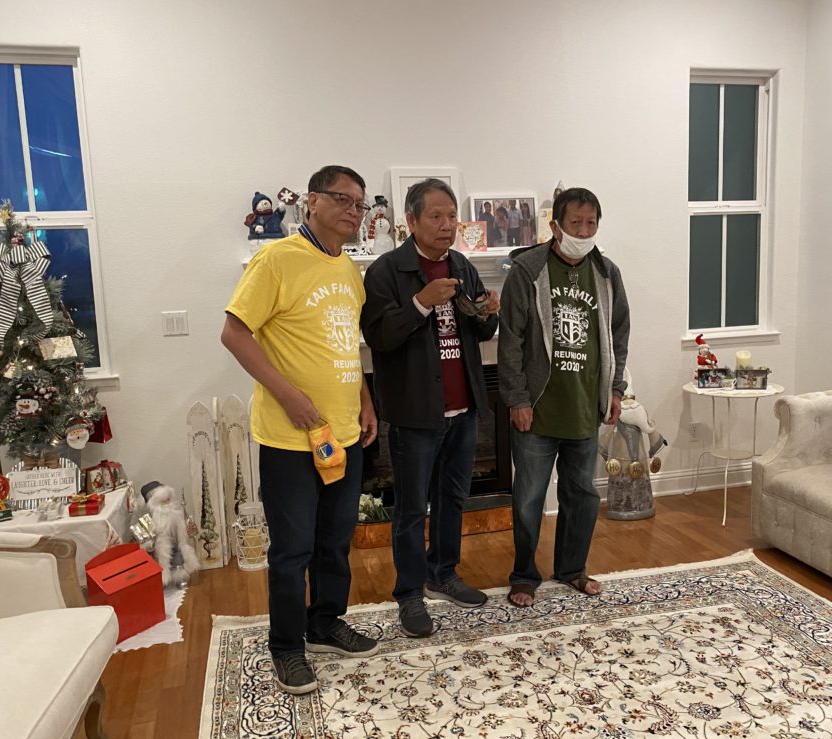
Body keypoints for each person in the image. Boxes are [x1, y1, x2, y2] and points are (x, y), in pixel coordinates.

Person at [221, 165, 379, 695]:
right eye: (341, 198)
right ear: (312, 201)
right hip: (289, 438)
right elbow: (234, 333)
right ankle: (286, 646)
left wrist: (364, 400)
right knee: (292, 550)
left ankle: (324, 621)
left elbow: (347, 345)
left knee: (335, 539)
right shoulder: (276, 259)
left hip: (344, 431)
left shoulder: (350, 271)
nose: (352, 210)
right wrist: (287, 394)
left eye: (359, 203)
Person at [361, 178, 500, 637]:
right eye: (436, 217)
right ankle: (409, 593)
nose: (446, 225)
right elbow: (378, 337)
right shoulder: (385, 271)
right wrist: (421, 303)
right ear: (411, 221)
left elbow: (480, 335)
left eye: (451, 216)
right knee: (409, 509)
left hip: (465, 408)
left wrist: (488, 312)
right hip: (414, 413)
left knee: (452, 498)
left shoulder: (461, 264)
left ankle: (445, 573)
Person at [497, 186, 630, 607]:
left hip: (583, 407)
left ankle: (572, 568)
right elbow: (511, 340)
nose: (585, 230)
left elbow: (618, 334)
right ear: (555, 226)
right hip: (537, 409)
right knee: (529, 498)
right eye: (576, 223)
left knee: (582, 494)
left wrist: (615, 388)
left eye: (591, 223)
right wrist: (517, 398)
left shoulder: (607, 273)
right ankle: (523, 575)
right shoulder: (528, 270)